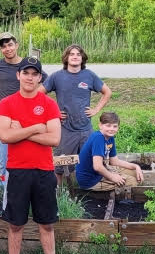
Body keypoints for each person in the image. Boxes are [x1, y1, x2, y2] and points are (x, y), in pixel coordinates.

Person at [0, 57, 61, 254]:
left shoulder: (49, 104)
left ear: (40, 78)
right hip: (18, 171)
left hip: (44, 171)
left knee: (47, 223)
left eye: (34, 74)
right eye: (26, 73)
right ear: (18, 75)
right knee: (16, 224)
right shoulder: (7, 103)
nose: (30, 78)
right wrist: (35, 128)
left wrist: (22, 131)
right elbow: (6, 136)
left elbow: (54, 139)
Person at [0, 31, 47, 204]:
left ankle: (22, 190)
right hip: (5, 116)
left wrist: (32, 97)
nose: (7, 49)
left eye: (10, 44)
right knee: (3, 155)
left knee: (25, 152)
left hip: (27, 117)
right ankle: (0, 193)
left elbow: (46, 82)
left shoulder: (28, 65)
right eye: (4, 46)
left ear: (17, 45)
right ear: (1, 49)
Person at [43, 44, 112, 186]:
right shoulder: (57, 76)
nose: (75, 56)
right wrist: (53, 111)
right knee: (59, 166)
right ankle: (58, 195)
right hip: (65, 129)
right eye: (72, 54)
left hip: (86, 129)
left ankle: (88, 192)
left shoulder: (89, 75)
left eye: (78, 54)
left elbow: (107, 92)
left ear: (82, 58)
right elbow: (39, 93)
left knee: (92, 161)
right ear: (66, 58)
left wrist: (96, 110)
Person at [75, 112, 145, 191]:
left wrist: (136, 166)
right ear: (100, 125)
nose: (111, 129)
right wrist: (113, 177)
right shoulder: (98, 138)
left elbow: (114, 161)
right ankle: (116, 199)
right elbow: (97, 167)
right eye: (108, 125)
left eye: (115, 126)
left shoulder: (110, 138)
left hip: (99, 173)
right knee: (133, 181)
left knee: (135, 173)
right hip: (91, 180)